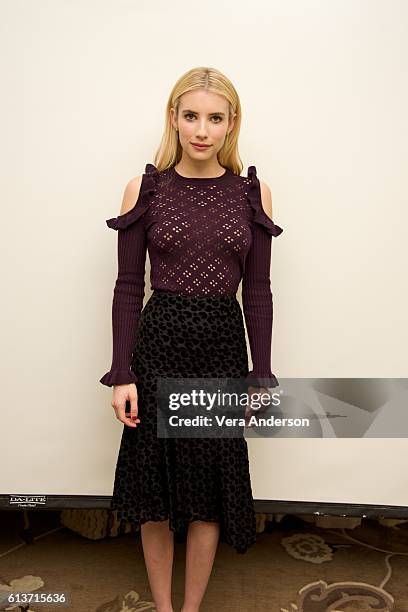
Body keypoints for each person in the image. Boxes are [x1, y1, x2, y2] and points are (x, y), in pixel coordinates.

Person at [99, 66, 283, 612]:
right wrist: (122, 374)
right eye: (191, 116)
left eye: (215, 118)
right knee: (155, 492)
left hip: (220, 347)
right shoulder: (146, 188)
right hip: (158, 346)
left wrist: (260, 375)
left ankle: (192, 608)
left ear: (231, 124)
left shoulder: (253, 192)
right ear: (174, 121)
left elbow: (259, 294)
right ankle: (163, 608)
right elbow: (129, 287)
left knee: (205, 492)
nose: (202, 129)